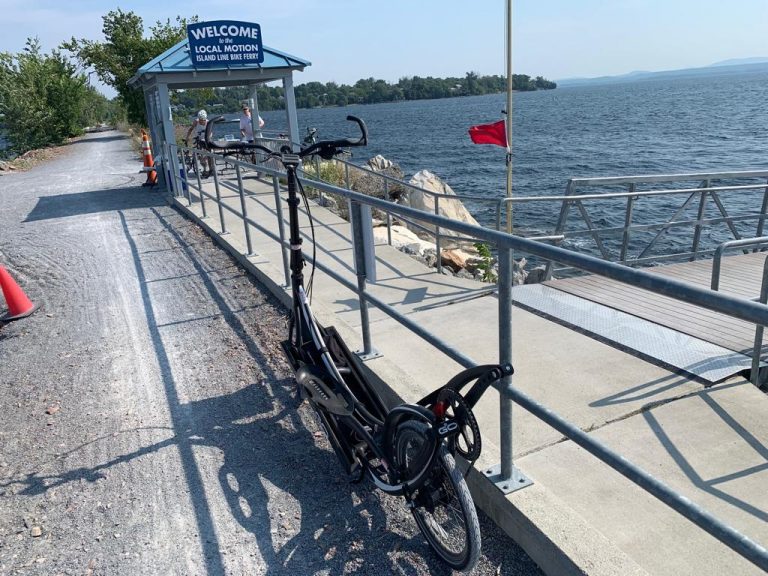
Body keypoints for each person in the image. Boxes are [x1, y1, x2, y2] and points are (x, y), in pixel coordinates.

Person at [185, 109, 214, 178]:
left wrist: (208, 138)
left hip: (206, 139)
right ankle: (204, 169)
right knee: (201, 156)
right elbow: (190, 129)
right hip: (199, 140)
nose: (201, 122)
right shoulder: (196, 122)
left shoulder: (208, 123)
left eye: (203, 120)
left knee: (210, 154)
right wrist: (187, 137)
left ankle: (210, 169)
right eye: (200, 120)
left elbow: (211, 133)